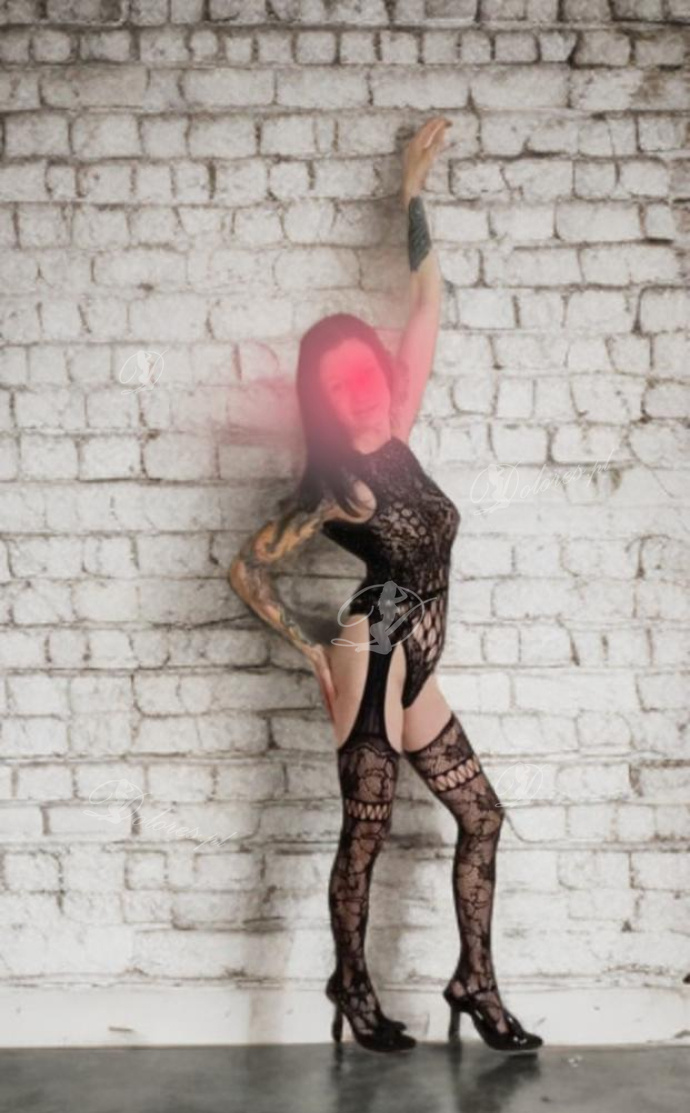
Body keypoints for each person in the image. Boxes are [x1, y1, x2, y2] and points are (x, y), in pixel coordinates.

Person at [229, 117, 543, 1057]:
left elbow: (427, 299)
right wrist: (315, 651)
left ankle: (474, 981)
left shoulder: (398, 425)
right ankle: (352, 985)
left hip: (417, 656)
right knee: (365, 831)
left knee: (481, 816)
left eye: (362, 368)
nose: (360, 387)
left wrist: (411, 190)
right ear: (322, 400)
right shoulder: (337, 489)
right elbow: (247, 567)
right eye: (338, 383)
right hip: (374, 646)